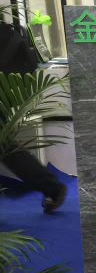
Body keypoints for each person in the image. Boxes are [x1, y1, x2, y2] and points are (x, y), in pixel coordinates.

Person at [0, 21, 66, 213]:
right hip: (9, 88)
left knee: (6, 148)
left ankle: (52, 187)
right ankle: (52, 187)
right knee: (5, 147)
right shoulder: (5, 30)